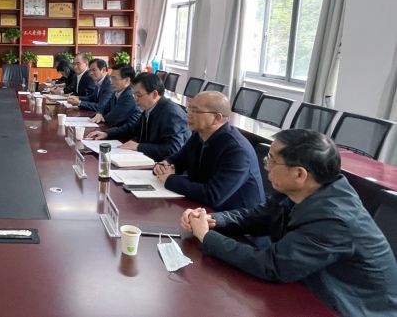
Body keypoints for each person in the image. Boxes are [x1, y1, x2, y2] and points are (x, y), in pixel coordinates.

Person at [181, 129, 397, 317]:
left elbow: (272, 265)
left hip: (352, 309)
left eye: (273, 160)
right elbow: (256, 217)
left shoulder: (333, 219)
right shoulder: (304, 190)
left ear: (300, 174)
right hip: (312, 288)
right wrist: (212, 220)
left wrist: (207, 237)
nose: (266, 166)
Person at [152, 91, 264, 212]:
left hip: (236, 216)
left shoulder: (237, 151)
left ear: (217, 118)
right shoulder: (199, 135)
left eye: (195, 111)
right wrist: (163, 165)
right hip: (203, 208)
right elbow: (178, 160)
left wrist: (169, 179)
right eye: (189, 109)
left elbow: (213, 195)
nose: (188, 114)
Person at [88, 72, 190, 162]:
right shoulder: (150, 108)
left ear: (154, 94)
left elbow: (173, 149)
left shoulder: (172, 114)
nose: (135, 100)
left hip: (165, 168)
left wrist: (138, 146)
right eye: (134, 95)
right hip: (148, 160)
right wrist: (107, 133)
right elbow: (132, 128)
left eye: (139, 95)